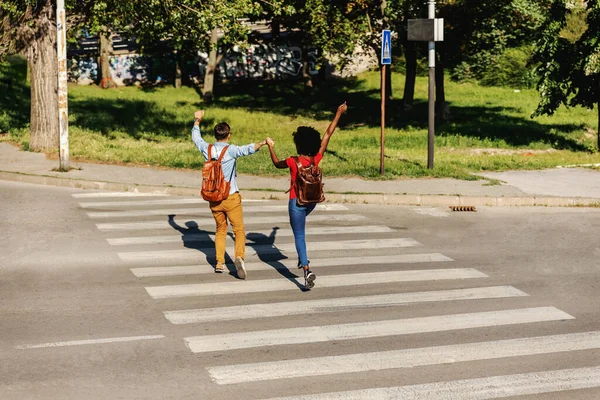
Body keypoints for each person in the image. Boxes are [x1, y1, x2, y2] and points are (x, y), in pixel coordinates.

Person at [265, 102, 347, 289]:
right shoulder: (316, 158)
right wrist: (338, 113)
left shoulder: (293, 161)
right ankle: (303, 261)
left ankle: (306, 268)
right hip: (312, 201)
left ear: (298, 144)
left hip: (296, 201)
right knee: (301, 227)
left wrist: (270, 146)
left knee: (299, 235)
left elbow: (276, 163)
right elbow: (328, 134)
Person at [192, 110, 269, 279]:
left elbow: (196, 138)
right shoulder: (231, 150)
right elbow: (249, 149)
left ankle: (219, 263)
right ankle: (239, 257)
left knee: (220, 229)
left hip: (213, 198)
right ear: (228, 135)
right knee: (239, 229)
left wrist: (197, 119)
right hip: (231, 196)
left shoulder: (207, 149)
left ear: (215, 135)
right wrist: (263, 142)